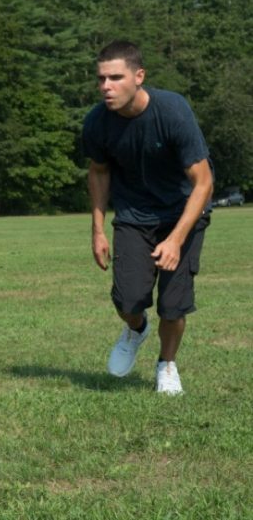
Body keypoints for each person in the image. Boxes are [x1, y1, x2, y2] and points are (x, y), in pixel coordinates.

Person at [83, 40, 212, 395]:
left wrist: (175, 239)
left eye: (116, 77)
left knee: (173, 305)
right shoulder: (97, 122)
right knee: (128, 299)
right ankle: (136, 329)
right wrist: (97, 231)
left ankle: (166, 365)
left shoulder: (172, 111)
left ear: (139, 76)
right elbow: (98, 172)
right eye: (101, 79)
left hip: (183, 212)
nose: (106, 87)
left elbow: (203, 183)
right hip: (134, 215)